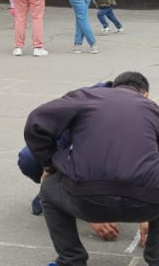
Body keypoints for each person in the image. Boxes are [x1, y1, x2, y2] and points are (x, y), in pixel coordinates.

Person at [25, 73, 159, 266]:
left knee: (48, 188)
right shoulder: (151, 109)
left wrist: (49, 163)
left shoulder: (87, 96)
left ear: (113, 87)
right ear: (145, 95)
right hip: (146, 204)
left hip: (87, 199)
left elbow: (36, 120)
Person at [17, 73, 150, 242]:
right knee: (29, 159)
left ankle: (62, 191)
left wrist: (148, 214)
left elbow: (145, 159)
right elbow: (84, 160)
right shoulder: (87, 99)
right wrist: (92, 213)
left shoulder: (143, 113)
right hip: (66, 142)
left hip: (89, 149)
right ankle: (54, 191)